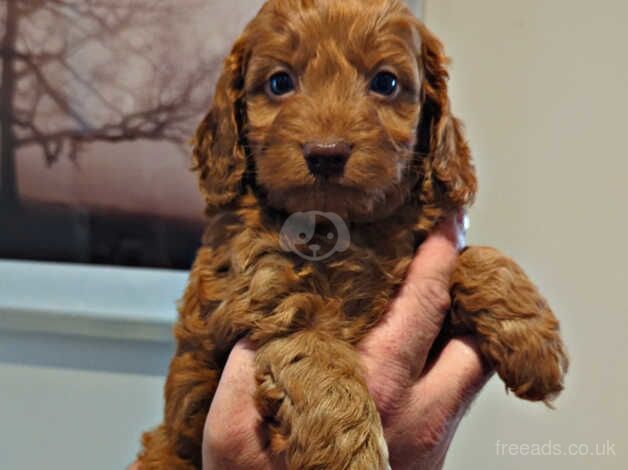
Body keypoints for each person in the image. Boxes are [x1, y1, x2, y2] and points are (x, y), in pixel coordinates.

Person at [132, 212, 492, 470]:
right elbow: (280, 327)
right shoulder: (253, 238)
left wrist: (477, 282)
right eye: (277, 98)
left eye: (385, 98)